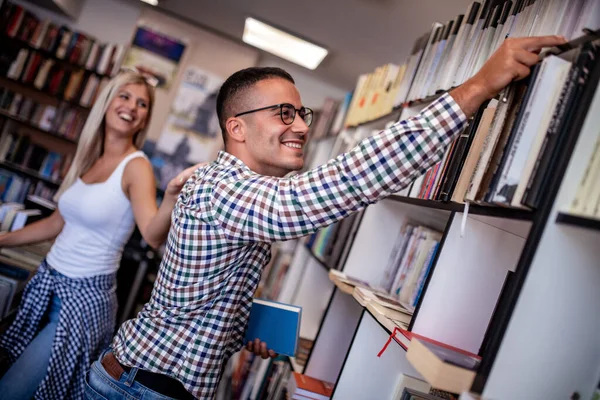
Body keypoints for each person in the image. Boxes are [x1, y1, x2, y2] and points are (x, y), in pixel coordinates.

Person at [86, 35, 567, 399]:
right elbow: (339, 184)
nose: (300, 126)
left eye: (301, 113)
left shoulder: (228, 187)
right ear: (236, 127)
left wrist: (238, 332)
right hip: (140, 387)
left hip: (146, 379)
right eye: (282, 114)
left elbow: (196, 295)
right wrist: (479, 87)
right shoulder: (224, 188)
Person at [0, 70, 201, 400]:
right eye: (124, 96)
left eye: (142, 104)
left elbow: (152, 234)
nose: (132, 107)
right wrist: (3, 239)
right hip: (47, 285)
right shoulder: (89, 157)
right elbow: (55, 223)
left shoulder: (136, 166)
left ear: (144, 119)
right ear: (107, 102)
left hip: (83, 302)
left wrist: (170, 197)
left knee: (12, 391)